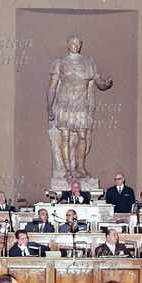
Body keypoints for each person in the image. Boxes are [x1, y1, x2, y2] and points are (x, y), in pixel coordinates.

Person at [47, 35, 112, 179]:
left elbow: (99, 82)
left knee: (83, 136)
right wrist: (49, 107)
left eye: (78, 43)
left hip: (81, 105)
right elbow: (52, 88)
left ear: (80, 45)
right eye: (72, 42)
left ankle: (80, 166)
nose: (75, 45)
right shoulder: (60, 62)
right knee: (65, 137)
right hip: (64, 104)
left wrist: (106, 84)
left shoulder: (89, 62)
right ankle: (67, 169)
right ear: (68, 45)